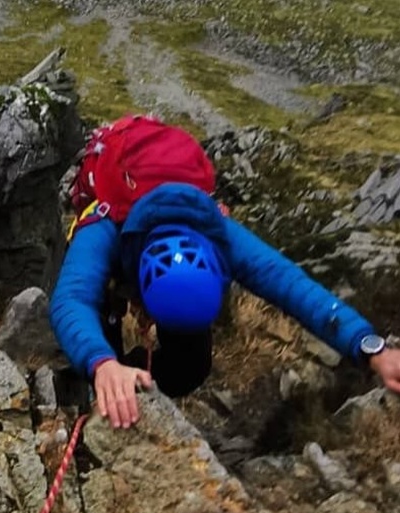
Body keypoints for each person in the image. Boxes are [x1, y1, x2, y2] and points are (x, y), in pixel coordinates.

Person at [49, 116, 400, 430]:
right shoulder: (103, 227)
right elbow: (72, 297)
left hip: (167, 272)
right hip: (121, 248)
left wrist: (371, 348)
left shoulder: (222, 235)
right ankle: (102, 397)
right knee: (98, 341)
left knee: (190, 367)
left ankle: (137, 378)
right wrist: (103, 363)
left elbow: (294, 288)